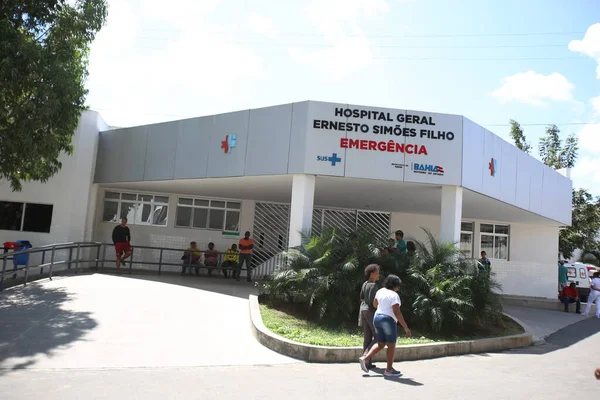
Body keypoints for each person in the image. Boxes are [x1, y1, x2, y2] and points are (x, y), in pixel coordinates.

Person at [359, 274, 411, 377]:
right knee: (391, 345)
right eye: (398, 286)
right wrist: (406, 328)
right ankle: (388, 370)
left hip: (377, 318)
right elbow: (397, 312)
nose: (398, 288)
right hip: (388, 320)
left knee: (381, 343)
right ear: (395, 285)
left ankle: (365, 358)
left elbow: (375, 304)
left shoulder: (380, 291)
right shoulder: (394, 295)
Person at [359, 264, 380, 370]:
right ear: (371, 274)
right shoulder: (373, 286)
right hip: (370, 311)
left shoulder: (365, 284)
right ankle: (365, 357)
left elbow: (361, 298)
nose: (378, 276)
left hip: (363, 310)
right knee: (378, 337)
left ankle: (367, 364)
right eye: (377, 273)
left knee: (367, 337)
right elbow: (374, 303)